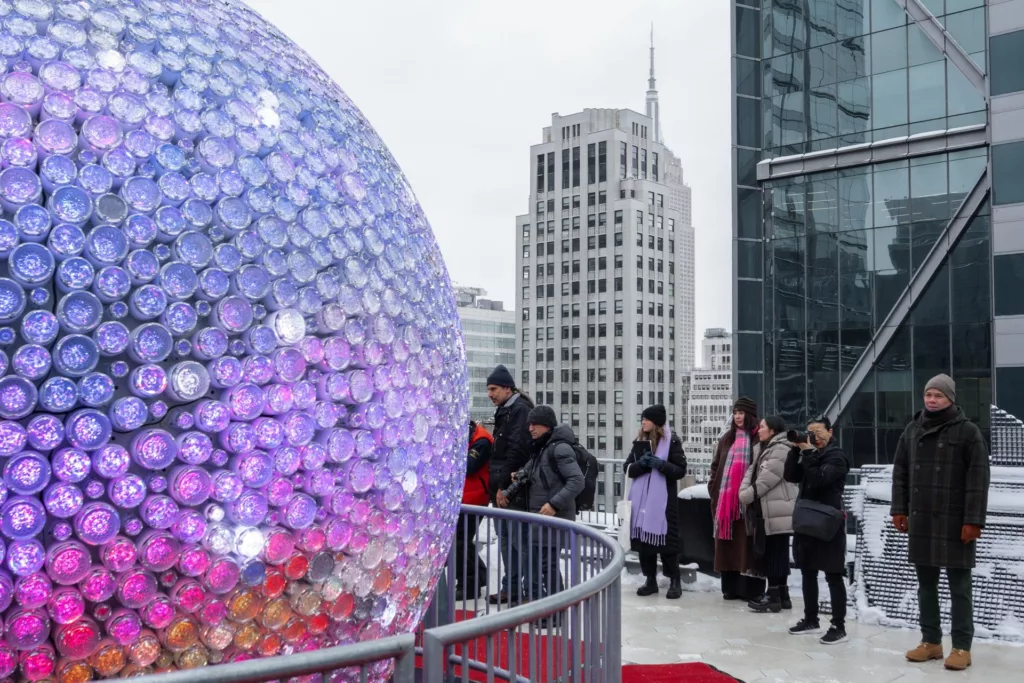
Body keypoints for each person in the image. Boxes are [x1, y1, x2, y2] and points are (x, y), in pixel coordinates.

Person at [891, 374, 990, 672]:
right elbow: (900, 473)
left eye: (938, 396)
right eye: (928, 394)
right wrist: (900, 509)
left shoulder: (968, 432)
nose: (932, 400)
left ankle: (962, 646)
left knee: (959, 586)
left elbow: (978, 479)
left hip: (955, 520)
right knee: (926, 585)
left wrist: (974, 520)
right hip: (922, 519)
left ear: (950, 399)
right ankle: (931, 642)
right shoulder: (912, 429)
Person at [503, 405, 584, 601]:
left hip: (553, 516)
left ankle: (556, 611)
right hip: (542, 517)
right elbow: (528, 474)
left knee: (549, 566)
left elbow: (577, 481)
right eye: (529, 424)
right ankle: (551, 607)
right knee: (544, 565)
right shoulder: (542, 447)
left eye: (535, 424)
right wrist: (510, 488)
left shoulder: (559, 448)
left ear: (547, 426)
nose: (530, 428)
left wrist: (554, 505)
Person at [784, 416, 849, 645]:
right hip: (806, 520)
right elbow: (791, 476)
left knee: (833, 574)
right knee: (807, 571)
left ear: (830, 432)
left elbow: (820, 479)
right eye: (810, 432)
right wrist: (795, 451)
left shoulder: (837, 456)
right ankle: (810, 619)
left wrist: (808, 454)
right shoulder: (808, 454)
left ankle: (838, 625)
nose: (815, 437)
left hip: (828, 523)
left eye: (819, 432)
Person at [623, 405, 688, 599]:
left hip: (664, 502)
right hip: (641, 502)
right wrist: (641, 465)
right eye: (642, 419)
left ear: (656, 423)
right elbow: (627, 468)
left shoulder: (672, 442)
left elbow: (680, 470)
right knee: (644, 542)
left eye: (647, 419)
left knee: (668, 543)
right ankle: (650, 580)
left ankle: (675, 580)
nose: (643, 422)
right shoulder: (639, 443)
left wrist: (661, 465)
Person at [486, 364, 534, 606]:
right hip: (500, 489)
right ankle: (511, 587)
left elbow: (516, 450)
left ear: (507, 388)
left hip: (512, 490)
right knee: (506, 541)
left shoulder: (520, 410)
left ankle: (527, 589)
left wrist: (503, 487)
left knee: (519, 542)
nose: (490, 394)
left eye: (494, 389)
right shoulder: (506, 410)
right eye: (488, 389)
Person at [739, 415, 798, 613]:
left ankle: (772, 595)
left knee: (774, 553)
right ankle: (782, 595)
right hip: (769, 508)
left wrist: (747, 495)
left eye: (762, 426)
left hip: (777, 509)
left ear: (772, 430)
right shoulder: (763, 448)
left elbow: (767, 479)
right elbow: (752, 471)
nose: (759, 429)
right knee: (776, 552)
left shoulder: (781, 448)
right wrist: (744, 491)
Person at [709, 397, 760, 600]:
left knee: (746, 546)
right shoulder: (727, 438)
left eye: (742, 413)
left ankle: (748, 590)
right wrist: (713, 486)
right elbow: (715, 466)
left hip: (746, 503)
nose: (738, 416)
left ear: (750, 415)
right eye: (735, 412)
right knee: (727, 545)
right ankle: (729, 588)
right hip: (725, 505)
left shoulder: (757, 439)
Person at [455, 421, 493, 601]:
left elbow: (468, 466)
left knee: (461, 542)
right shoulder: (473, 438)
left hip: (474, 500)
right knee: (461, 542)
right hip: (463, 499)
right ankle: (479, 575)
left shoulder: (482, 440)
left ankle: (469, 584)